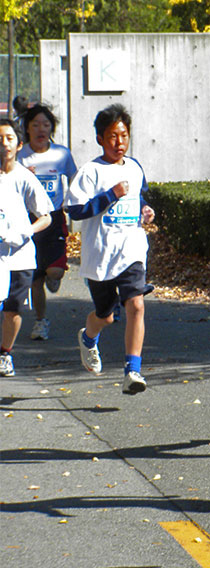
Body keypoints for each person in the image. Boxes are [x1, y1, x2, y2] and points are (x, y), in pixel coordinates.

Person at [64, 104, 155, 395]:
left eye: (124, 135)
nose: (119, 142)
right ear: (100, 139)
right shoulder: (91, 172)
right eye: (113, 136)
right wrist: (109, 196)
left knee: (137, 305)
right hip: (100, 255)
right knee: (105, 316)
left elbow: (138, 198)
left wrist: (145, 209)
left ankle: (133, 371)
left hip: (131, 250)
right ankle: (89, 337)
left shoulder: (135, 167)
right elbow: (75, 209)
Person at [16, 104, 77, 342]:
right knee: (36, 277)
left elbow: (75, 179)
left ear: (52, 127)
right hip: (28, 218)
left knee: (54, 271)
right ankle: (41, 321)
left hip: (53, 218)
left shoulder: (61, 154)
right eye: (35, 125)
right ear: (27, 129)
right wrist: (24, 175)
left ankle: (55, 276)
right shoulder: (20, 156)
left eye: (46, 124)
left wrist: (74, 203)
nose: (41, 129)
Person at [0, 118, 53, 377]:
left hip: (20, 257)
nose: (4, 144)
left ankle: (5, 354)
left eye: (9, 138)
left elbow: (46, 216)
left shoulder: (24, 177)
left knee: (13, 310)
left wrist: (26, 231)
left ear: (19, 144)